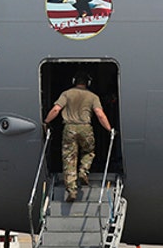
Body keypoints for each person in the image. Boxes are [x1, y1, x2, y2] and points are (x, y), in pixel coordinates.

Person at [43, 71, 113, 202]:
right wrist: (109, 129)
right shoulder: (93, 97)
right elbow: (100, 114)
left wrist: (46, 122)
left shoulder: (66, 94)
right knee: (89, 151)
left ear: (74, 81)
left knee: (69, 159)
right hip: (85, 127)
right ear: (88, 83)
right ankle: (83, 171)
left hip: (69, 129)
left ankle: (72, 190)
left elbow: (56, 109)